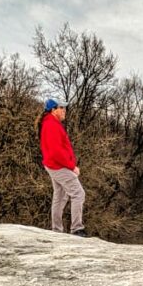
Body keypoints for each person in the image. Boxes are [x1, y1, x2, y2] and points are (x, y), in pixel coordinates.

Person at [37, 99, 87, 237]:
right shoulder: (51, 125)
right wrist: (72, 167)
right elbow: (56, 151)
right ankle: (77, 229)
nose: (64, 110)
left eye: (65, 108)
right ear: (53, 110)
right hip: (58, 165)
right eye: (61, 108)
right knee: (78, 193)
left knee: (60, 196)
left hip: (54, 164)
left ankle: (57, 231)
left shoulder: (51, 123)